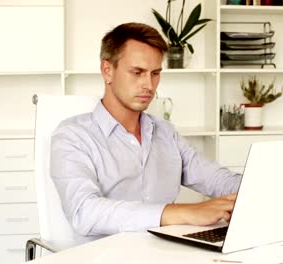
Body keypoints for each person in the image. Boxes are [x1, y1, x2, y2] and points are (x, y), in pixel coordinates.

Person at [51, 22, 242, 245]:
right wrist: (183, 212)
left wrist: (257, 188)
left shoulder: (165, 132)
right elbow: (84, 211)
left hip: (167, 254)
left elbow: (216, 179)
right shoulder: (72, 136)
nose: (149, 85)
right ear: (107, 71)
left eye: (155, 73)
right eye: (137, 72)